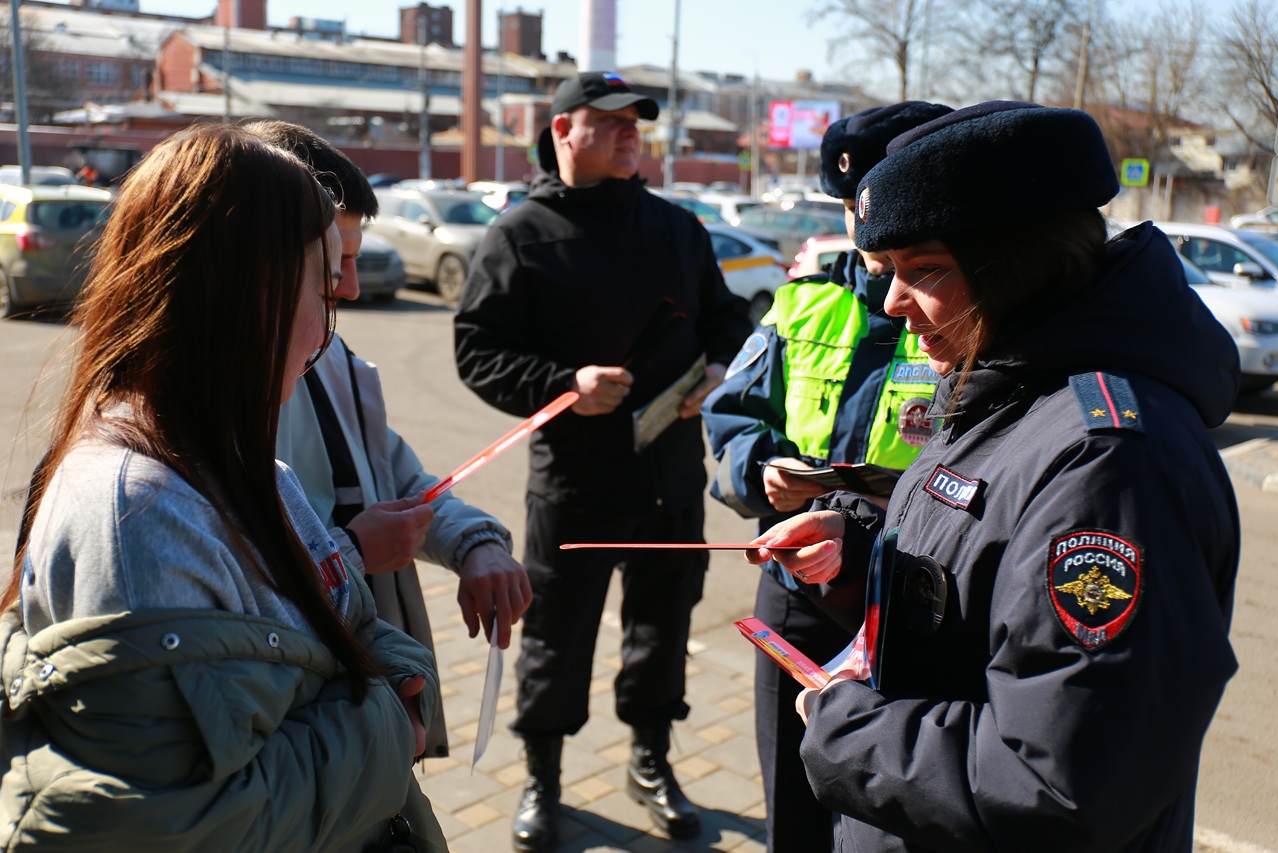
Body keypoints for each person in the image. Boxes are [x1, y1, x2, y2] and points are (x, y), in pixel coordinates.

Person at [748, 101, 1241, 851]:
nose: (893, 303)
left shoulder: (1109, 462)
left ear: (1018, 265)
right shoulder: (1010, 381)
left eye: (924, 270)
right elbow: (993, 551)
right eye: (889, 271)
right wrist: (867, 546)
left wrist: (846, 727)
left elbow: (1057, 782)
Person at [0, 125, 448, 852]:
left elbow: (354, 624)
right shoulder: (137, 518)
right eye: (322, 285)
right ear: (252, 293)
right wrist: (390, 726)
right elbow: (187, 826)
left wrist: (398, 675)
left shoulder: (244, 465)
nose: (332, 321)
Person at [453, 71, 752, 851]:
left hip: (670, 479)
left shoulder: (677, 227)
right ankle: (542, 778)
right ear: (562, 131)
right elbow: (476, 350)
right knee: (555, 637)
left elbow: (728, 319)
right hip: (576, 485)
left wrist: (720, 369)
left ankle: (650, 762)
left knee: (663, 629)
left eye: (636, 122)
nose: (630, 132)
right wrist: (564, 386)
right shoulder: (521, 233)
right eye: (610, 119)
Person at [701, 100, 952, 853]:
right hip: (798, 585)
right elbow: (731, 413)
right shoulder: (802, 300)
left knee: (895, 803)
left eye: (876, 204)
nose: (862, 227)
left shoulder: (956, 312)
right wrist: (761, 469)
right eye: (848, 208)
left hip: (916, 592)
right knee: (794, 794)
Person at [245, 120, 533, 760]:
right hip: (297, 722)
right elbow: (233, 598)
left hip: (362, 704)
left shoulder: (329, 354)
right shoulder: (202, 407)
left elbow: (394, 479)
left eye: (353, 257)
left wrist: (476, 543)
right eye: (333, 262)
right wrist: (352, 552)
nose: (350, 286)